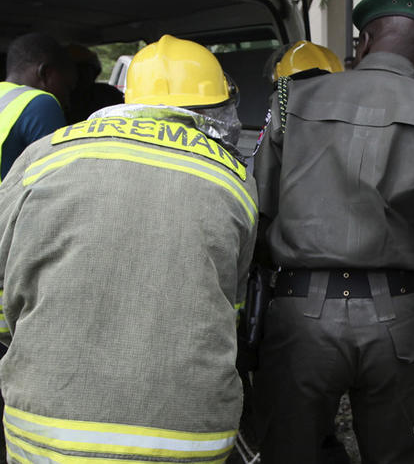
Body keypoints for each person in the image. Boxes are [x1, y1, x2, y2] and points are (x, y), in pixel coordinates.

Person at [252, 0, 414, 463]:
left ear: (363, 41)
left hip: (300, 312)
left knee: (289, 452)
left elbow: (256, 212)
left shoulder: (291, 97)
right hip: (396, 315)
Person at [0, 34, 256, 462]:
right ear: (213, 110)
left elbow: (7, 274)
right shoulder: (234, 180)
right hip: (187, 439)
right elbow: (231, 303)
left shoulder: (42, 157)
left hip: (44, 430)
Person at [0, 32, 74, 180]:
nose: (68, 101)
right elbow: (55, 179)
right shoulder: (40, 103)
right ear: (45, 73)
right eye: (67, 88)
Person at [66, 43, 124, 124]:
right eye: (78, 69)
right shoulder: (60, 99)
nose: (81, 74)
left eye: (85, 69)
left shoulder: (109, 94)